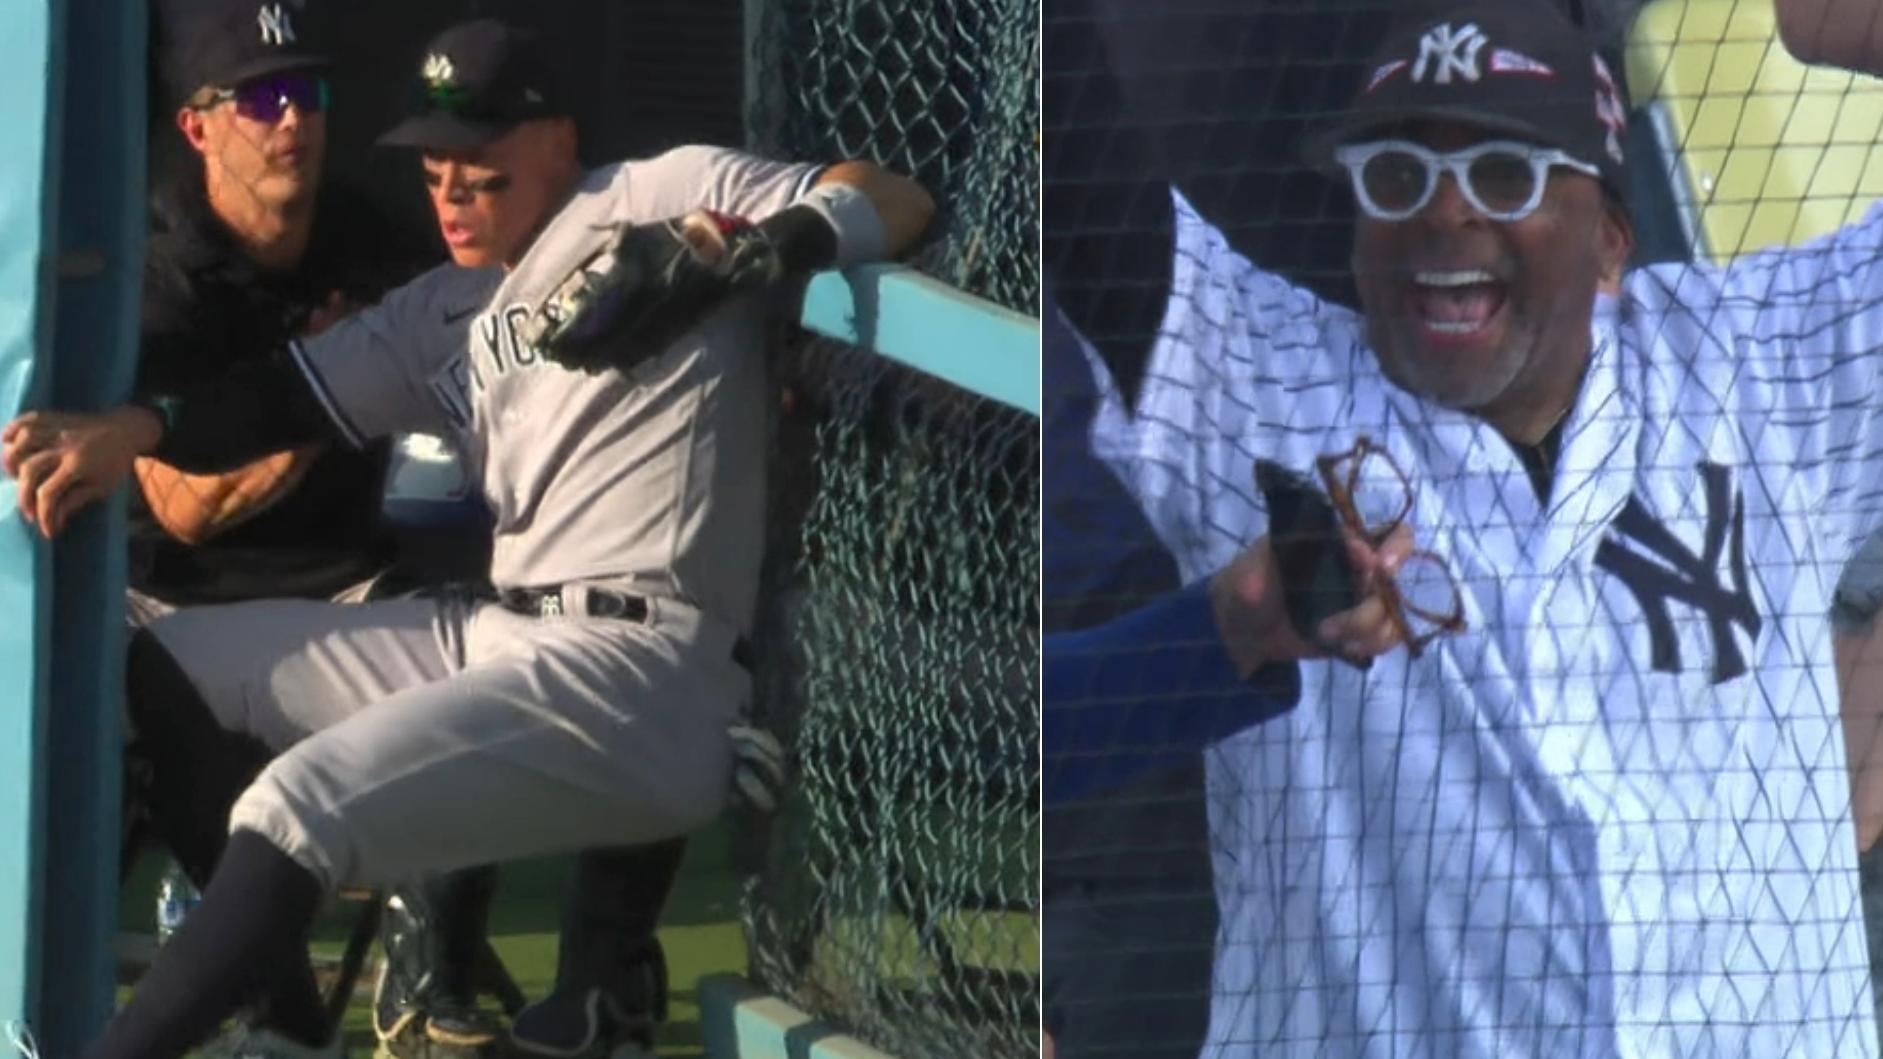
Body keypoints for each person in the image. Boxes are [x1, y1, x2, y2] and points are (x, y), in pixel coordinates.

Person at [3, 13, 933, 1056]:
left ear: (557, 143)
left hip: (640, 670)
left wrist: (756, 254)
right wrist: (133, 430)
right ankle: (286, 1029)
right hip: (504, 636)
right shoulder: (444, 302)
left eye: (478, 155)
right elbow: (274, 400)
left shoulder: (656, 196)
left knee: (299, 802)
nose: (447, 182)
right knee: (161, 660)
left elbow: (890, 195)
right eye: (433, 157)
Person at [1073, 0, 1883, 1054]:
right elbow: (1073, 132)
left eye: (1503, 174)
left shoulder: (1765, 366)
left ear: (1606, 241)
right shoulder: (1255, 383)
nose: (1442, 212)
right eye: (1396, 175)